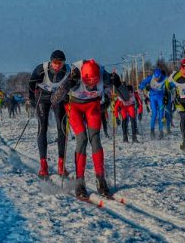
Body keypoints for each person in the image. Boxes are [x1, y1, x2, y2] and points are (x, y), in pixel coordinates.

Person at [51, 59, 128, 198]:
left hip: (92, 106)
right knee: (82, 138)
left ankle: (101, 179)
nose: (92, 85)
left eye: (94, 82)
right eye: (89, 83)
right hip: (74, 107)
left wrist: (118, 83)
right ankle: (80, 181)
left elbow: (126, 98)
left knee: (95, 139)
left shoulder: (103, 74)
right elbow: (54, 99)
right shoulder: (75, 73)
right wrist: (67, 84)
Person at [29, 50, 71, 177]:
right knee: (43, 127)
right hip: (43, 96)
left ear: (64, 63)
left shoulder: (68, 70)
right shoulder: (41, 69)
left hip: (58, 96)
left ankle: (61, 164)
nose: (57, 65)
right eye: (55, 62)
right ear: (51, 61)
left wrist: (69, 97)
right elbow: (31, 84)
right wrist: (32, 99)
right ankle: (43, 165)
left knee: (62, 128)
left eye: (60, 63)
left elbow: (73, 84)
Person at [139, 68, 168, 139]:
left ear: (161, 75)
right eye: (155, 77)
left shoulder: (165, 78)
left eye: (158, 77)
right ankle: (152, 131)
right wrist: (143, 87)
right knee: (154, 113)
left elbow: (172, 83)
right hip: (152, 98)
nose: (157, 79)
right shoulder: (151, 78)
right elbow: (142, 83)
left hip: (160, 97)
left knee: (161, 114)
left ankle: (161, 131)